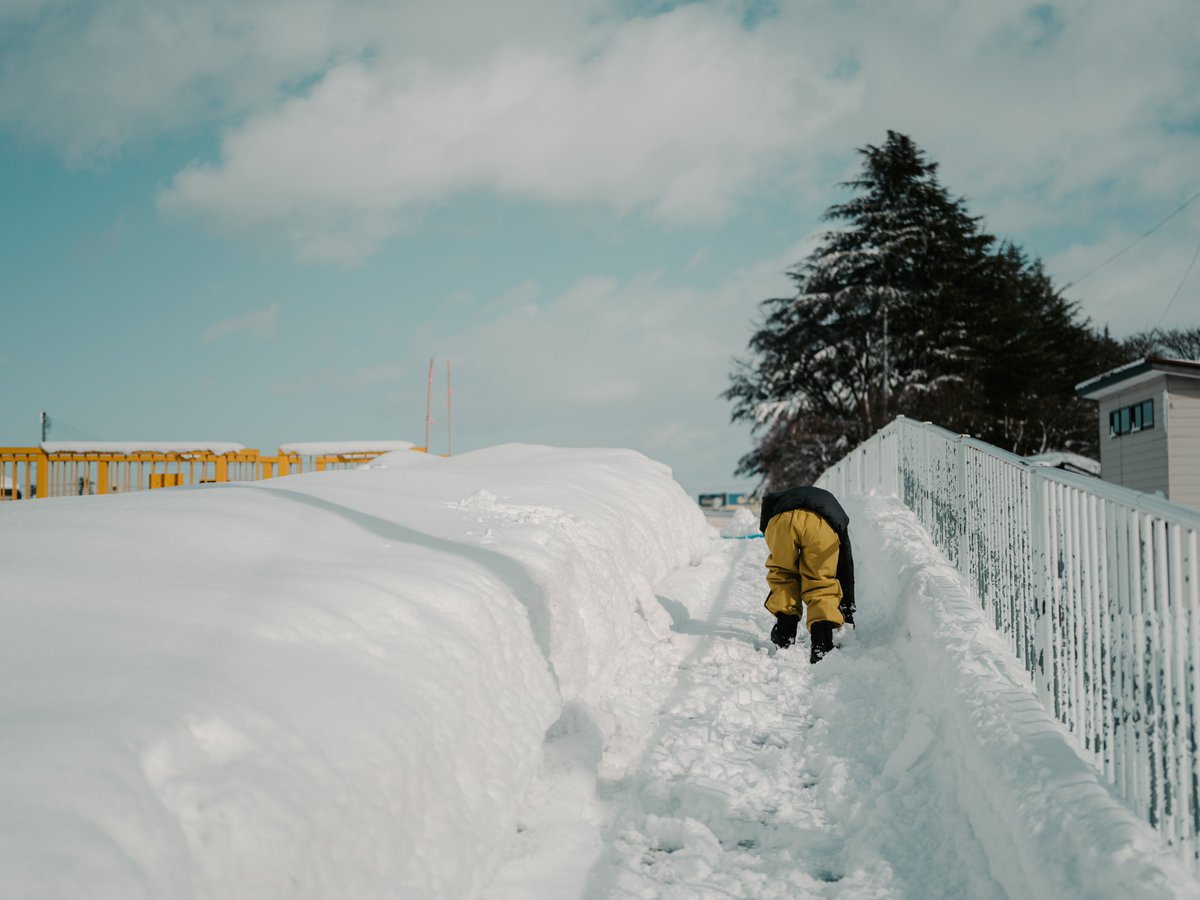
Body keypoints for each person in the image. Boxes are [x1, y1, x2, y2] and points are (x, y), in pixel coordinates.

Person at [759, 485, 855, 663]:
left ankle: (784, 632)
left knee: (783, 574)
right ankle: (822, 642)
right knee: (821, 581)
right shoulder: (836, 510)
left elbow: (765, 525)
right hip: (822, 524)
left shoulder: (777, 499)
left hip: (782, 521)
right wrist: (848, 609)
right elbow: (845, 564)